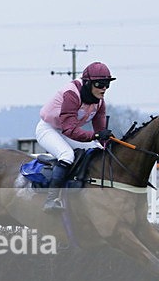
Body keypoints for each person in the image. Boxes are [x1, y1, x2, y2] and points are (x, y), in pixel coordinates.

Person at [35, 62, 116, 212]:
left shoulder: (99, 102)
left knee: (98, 150)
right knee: (67, 155)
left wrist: (108, 143)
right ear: (88, 83)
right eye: (100, 84)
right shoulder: (71, 94)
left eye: (107, 84)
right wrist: (95, 135)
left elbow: (100, 132)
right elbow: (70, 130)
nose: (104, 88)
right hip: (48, 129)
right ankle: (51, 200)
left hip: (66, 131)